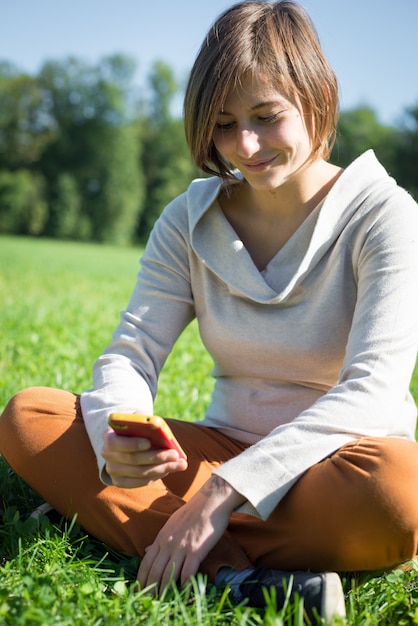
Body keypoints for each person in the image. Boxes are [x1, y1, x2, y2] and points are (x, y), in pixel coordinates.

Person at [1, 0, 418, 622]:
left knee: (400, 494)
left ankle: (138, 524)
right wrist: (120, 431)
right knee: (28, 416)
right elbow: (131, 353)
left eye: (266, 116)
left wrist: (224, 492)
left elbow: (373, 392)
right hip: (217, 450)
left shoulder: (384, 215)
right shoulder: (188, 220)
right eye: (223, 124)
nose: (245, 145)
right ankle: (236, 576)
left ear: (316, 96)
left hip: (336, 465)